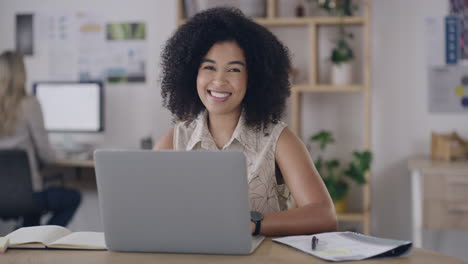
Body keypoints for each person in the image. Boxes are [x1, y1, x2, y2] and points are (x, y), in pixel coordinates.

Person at [155, 7, 337, 236]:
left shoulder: (279, 140)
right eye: (209, 67)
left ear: (253, 79)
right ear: (192, 74)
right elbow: (147, 211)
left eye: (234, 69)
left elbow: (324, 215)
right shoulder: (174, 139)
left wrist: (251, 223)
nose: (219, 80)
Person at [0, 51, 81, 227]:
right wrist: (65, 154)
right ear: (22, 73)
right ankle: (43, 239)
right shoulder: (29, 104)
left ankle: (28, 236)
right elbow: (46, 155)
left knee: (31, 210)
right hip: (29, 195)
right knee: (74, 197)